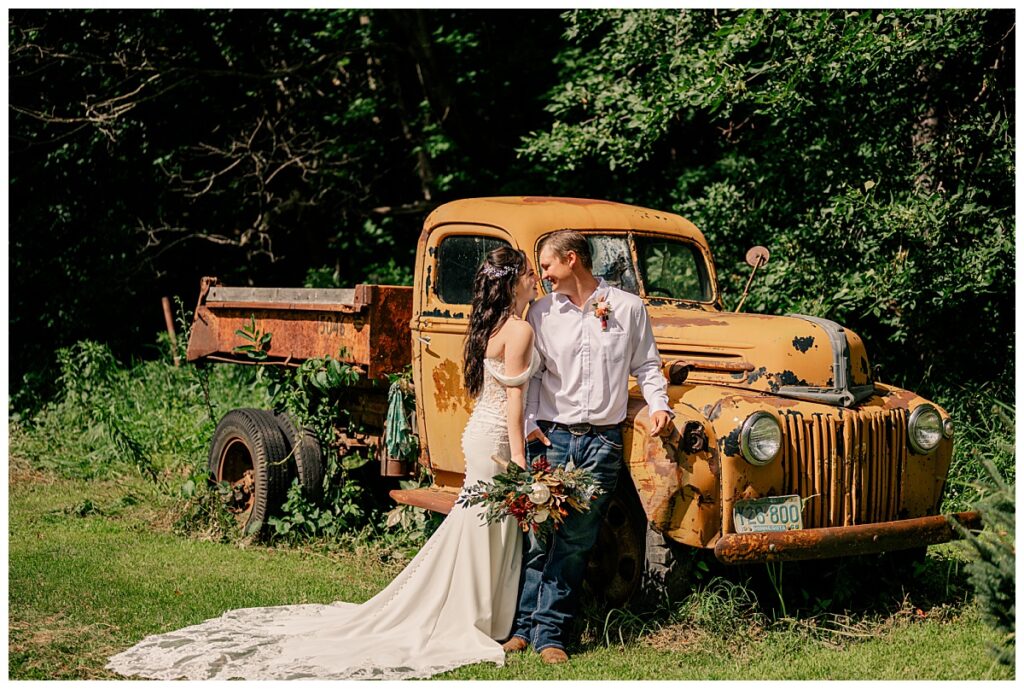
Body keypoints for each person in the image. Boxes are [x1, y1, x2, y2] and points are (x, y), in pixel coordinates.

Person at [105, 247, 540, 680]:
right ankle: (478, 618)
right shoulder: (518, 330)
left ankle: (480, 614)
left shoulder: (491, 325)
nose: (533, 278)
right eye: (527, 272)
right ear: (513, 281)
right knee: (488, 527)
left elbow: (497, 397)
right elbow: (514, 402)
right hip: (499, 440)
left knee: (482, 527)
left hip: (482, 436)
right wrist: (522, 459)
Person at [502, 230, 672, 664]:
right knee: (539, 536)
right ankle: (524, 627)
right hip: (552, 437)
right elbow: (533, 377)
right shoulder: (541, 312)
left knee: (576, 541)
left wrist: (659, 406)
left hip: (602, 441)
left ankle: (552, 634)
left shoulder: (628, 308)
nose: (542, 276)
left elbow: (648, 365)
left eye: (547, 266)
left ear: (572, 259)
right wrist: (530, 425)